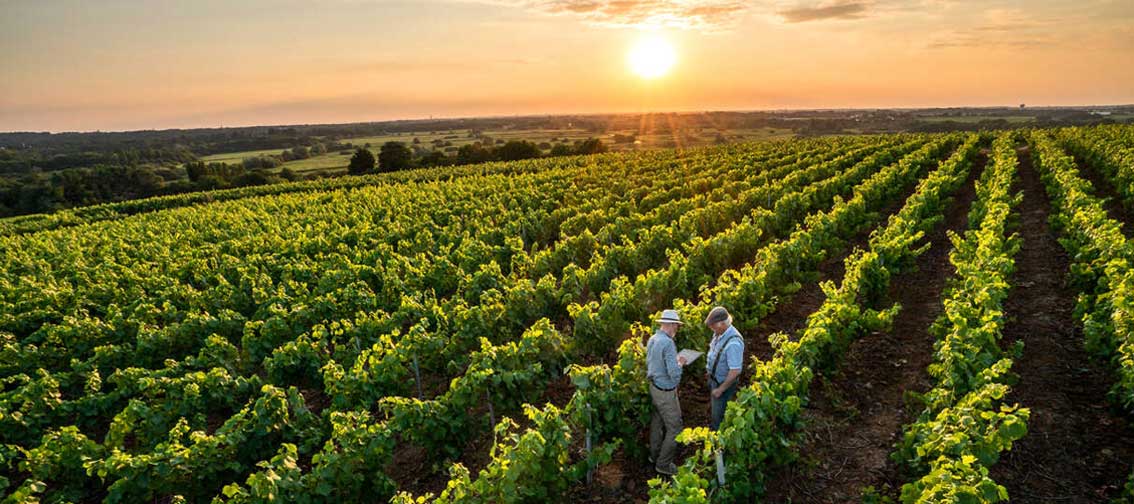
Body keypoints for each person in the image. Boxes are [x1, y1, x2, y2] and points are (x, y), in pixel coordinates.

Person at [646, 308, 688, 475]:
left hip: (654, 387)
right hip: (665, 392)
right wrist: (681, 362)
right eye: (676, 326)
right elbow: (675, 375)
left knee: (657, 422)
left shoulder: (653, 339)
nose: (676, 329)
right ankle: (663, 464)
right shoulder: (668, 343)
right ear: (670, 325)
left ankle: (654, 455)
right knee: (675, 427)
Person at [705, 306, 743, 431]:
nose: (711, 329)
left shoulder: (733, 344)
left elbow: (735, 371)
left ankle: (718, 442)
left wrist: (720, 389)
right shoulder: (719, 333)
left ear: (722, 324)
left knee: (719, 417)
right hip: (714, 380)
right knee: (716, 410)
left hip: (722, 384)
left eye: (713, 326)